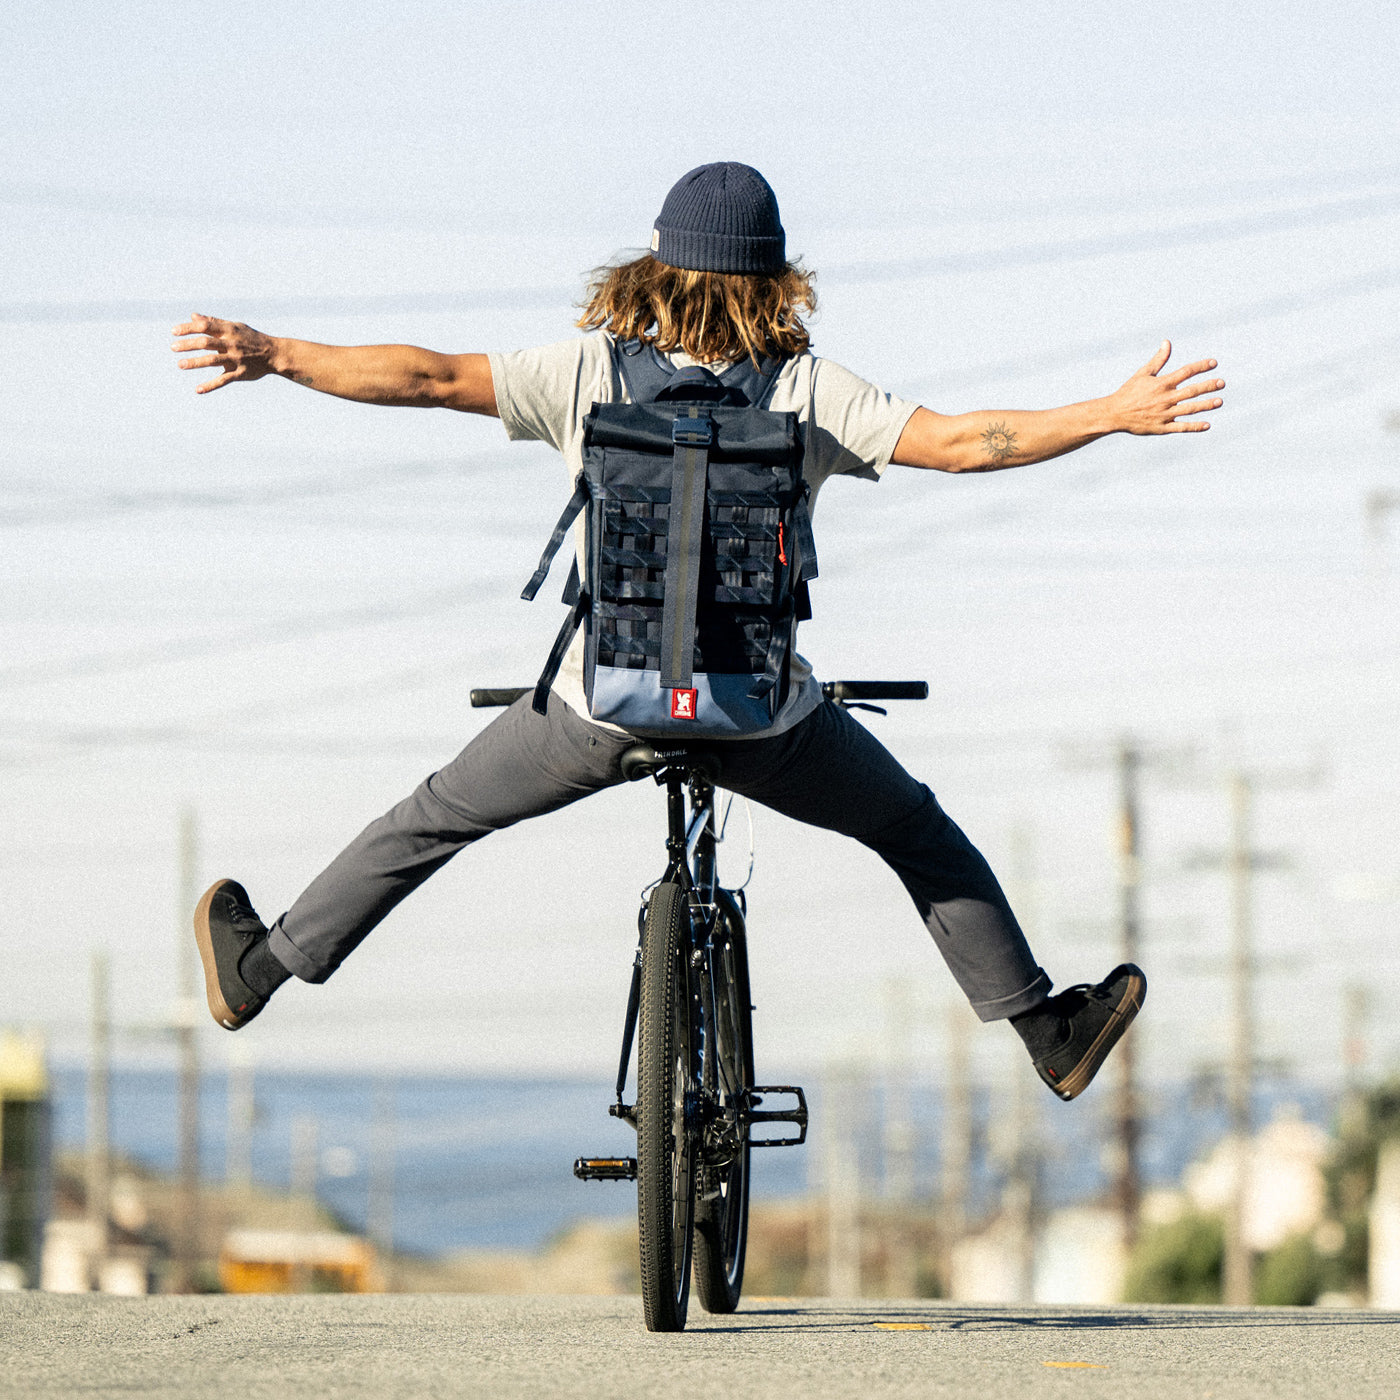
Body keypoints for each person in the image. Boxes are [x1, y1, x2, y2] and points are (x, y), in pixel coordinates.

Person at [175, 162, 1224, 1101]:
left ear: (652, 265)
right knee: (913, 830)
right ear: (777, 280)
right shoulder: (809, 390)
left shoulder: (586, 372)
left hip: (598, 709)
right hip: (763, 720)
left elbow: (428, 376)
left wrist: (275, 353)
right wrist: (1106, 412)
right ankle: (1047, 1031)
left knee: (434, 816)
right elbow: (961, 444)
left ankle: (260, 971)